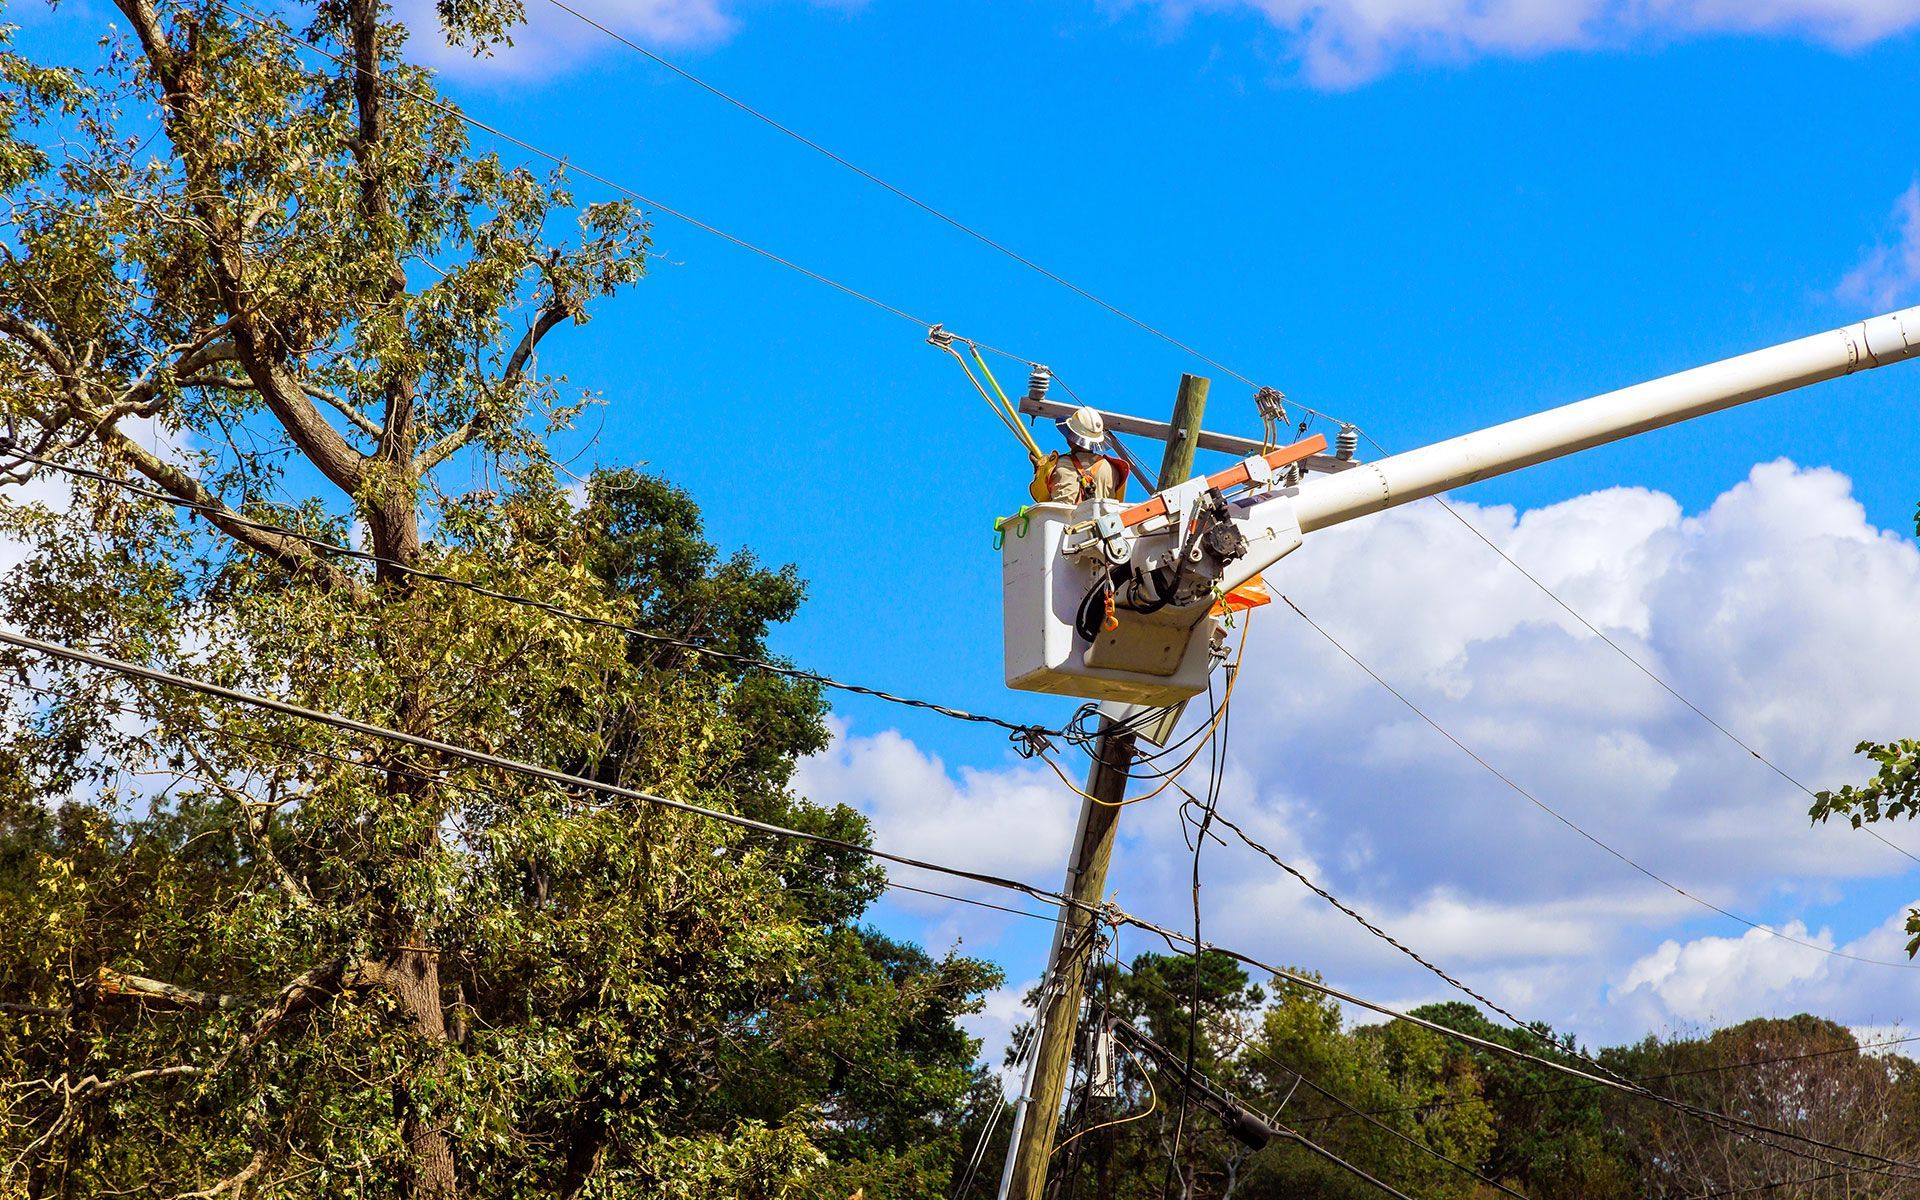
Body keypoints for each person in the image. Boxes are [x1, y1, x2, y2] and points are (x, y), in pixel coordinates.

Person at [1046, 406, 1131, 503]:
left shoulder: (1059, 465)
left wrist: (1042, 470)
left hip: (1063, 518)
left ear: (1071, 438)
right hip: (1102, 517)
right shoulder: (1112, 469)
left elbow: (1044, 496)